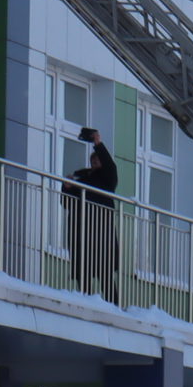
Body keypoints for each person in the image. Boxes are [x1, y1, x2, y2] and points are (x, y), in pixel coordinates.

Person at [62, 124, 120, 300]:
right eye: (93, 160)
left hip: (101, 230)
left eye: (98, 160)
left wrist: (97, 143)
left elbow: (110, 166)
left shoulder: (107, 179)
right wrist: (66, 187)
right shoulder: (82, 177)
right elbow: (66, 203)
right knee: (83, 270)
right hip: (81, 230)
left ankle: (113, 305)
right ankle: (85, 300)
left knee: (104, 272)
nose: (95, 162)